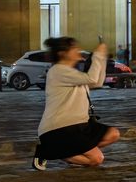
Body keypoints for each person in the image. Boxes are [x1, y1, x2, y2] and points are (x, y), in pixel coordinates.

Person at [33, 35, 123, 170]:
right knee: (97, 159)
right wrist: (98, 55)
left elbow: (97, 82)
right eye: (74, 48)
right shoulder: (57, 70)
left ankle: (66, 150)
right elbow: (92, 78)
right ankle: (48, 152)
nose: (78, 50)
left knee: (113, 134)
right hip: (60, 128)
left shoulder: (72, 73)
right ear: (62, 53)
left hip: (79, 125)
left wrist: (102, 58)